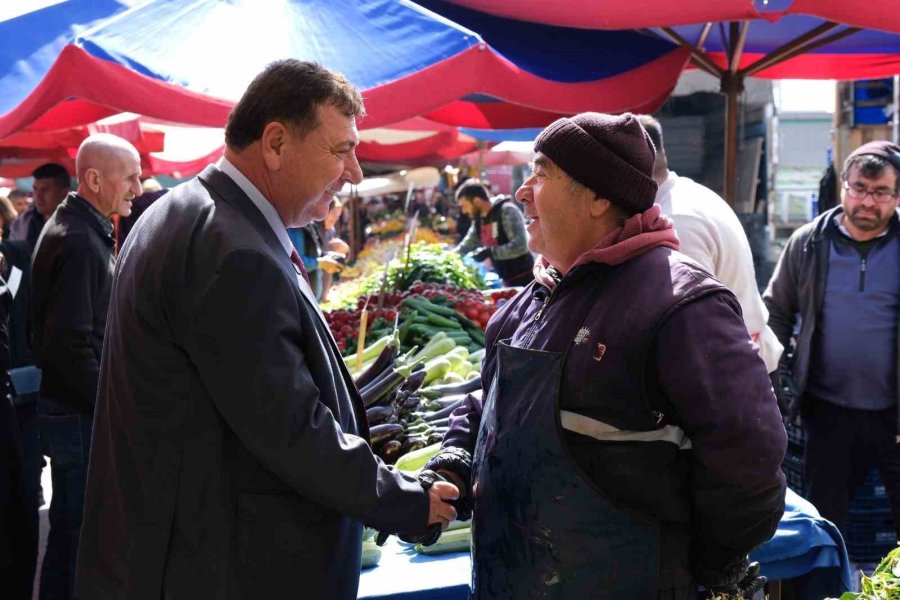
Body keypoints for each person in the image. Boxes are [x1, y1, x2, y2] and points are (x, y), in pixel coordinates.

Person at [75, 60, 457, 600]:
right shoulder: (230, 249)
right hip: (222, 567)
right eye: (340, 149)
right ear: (275, 142)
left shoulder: (193, 213)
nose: (354, 173)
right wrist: (406, 501)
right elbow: (290, 429)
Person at [425, 113, 786, 600]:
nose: (522, 192)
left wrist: (696, 567)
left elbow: (751, 461)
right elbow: (493, 399)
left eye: (541, 173)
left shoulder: (681, 304)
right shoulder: (535, 298)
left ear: (598, 196)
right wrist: (454, 461)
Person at [764, 140, 900, 538]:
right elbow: (775, 312)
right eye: (858, 188)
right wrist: (777, 380)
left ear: (896, 196)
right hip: (827, 414)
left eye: (880, 192)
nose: (867, 202)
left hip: (894, 417)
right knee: (825, 527)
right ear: (843, 187)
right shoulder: (808, 243)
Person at [31, 133, 141, 600]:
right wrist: (111, 407)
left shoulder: (81, 227)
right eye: (131, 176)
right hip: (77, 413)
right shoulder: (78, 238)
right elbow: (71, 346)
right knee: (78, 538)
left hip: (72, 408)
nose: (139, 186)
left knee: (72, 535)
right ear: (95, 179)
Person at [637, 115, 783, 373]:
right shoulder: (687, 195)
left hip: (734, 379)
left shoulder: (676, 219)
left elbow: (689, 328)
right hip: (742, 365)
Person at [453, 180, 535, 287]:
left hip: (526, 279)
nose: (463, 211)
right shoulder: (479, 221)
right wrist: (448, 256)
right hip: (505, 280)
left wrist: (490, 252)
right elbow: (467, 245)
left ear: (477, 201)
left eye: (464, 206)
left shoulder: (506, 211)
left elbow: (520, 246)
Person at [11, 163, 70, 251]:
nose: (38, 196)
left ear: (64, 193)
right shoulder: (22, 224)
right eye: (35, 189)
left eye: (44, 190)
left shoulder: (78, 224)